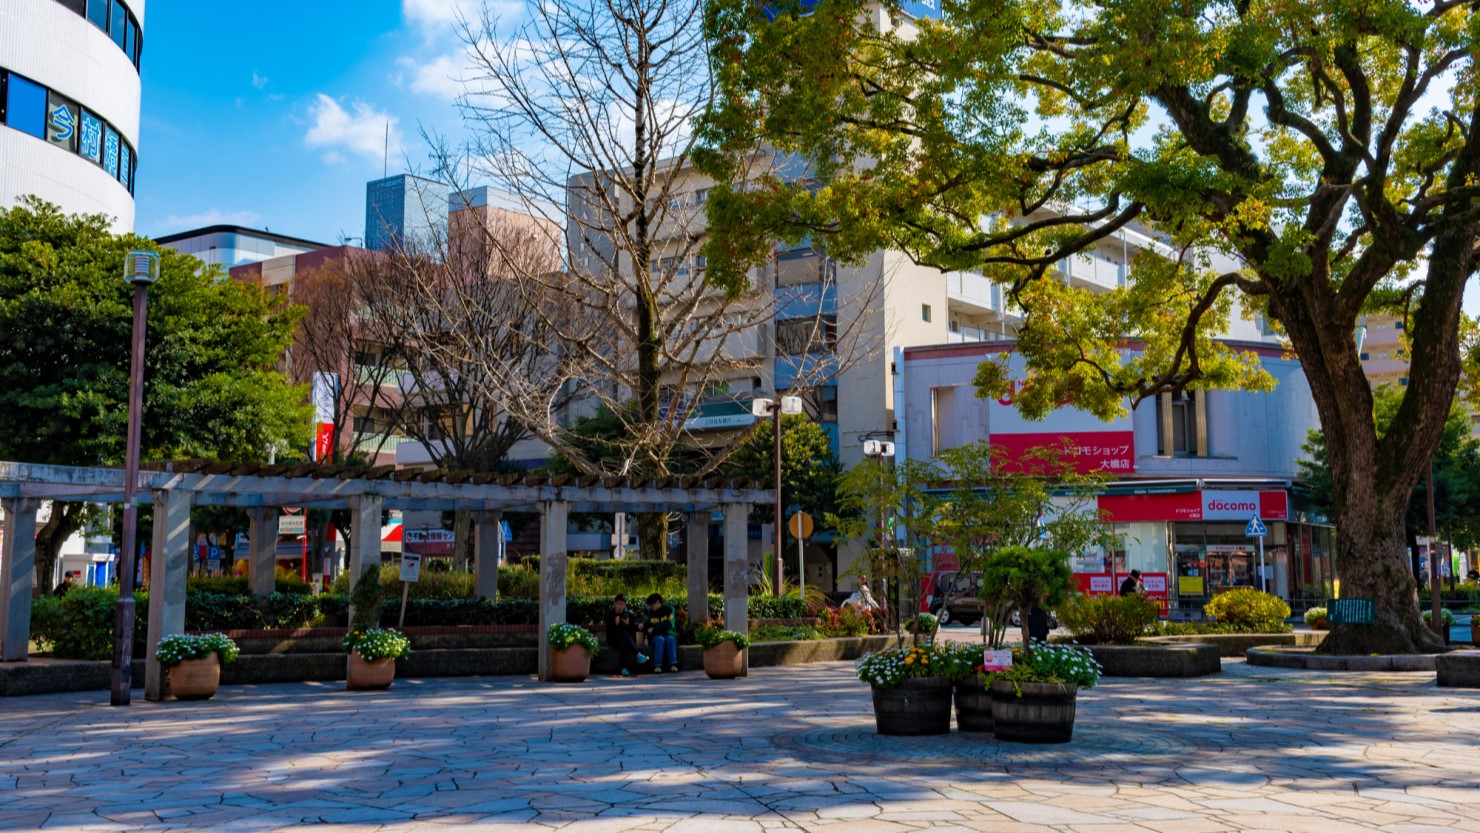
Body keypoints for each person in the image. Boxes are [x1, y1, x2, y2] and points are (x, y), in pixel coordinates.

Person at [605, 594, 641, 677]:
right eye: (619, 604)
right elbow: (610, 630)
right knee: (622, 633)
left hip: (625, 640)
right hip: (613, 640)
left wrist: (627, 624)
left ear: (625, 605)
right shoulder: (610, 615)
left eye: (622, 604)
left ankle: (623, 668)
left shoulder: (628, 615)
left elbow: (631, 629)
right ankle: (638, 654)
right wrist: (616, 624)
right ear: (615, 604)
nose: (620, 606)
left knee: (624, 642)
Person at [643, 593, 679, 673]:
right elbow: (647, 622)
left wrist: (654, 628)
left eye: (652, 604)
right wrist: (642, 625)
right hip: (657, 635)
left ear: (658, 602)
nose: (651, 607)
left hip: (668, 633)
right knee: (660, 640)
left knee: (670, 640)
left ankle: (673, 664)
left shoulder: (669, 609)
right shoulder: (651, 612)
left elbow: (669, 624)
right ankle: (657, 665)